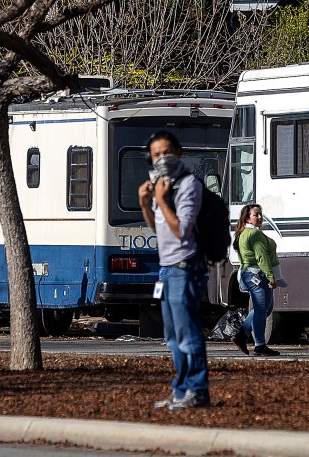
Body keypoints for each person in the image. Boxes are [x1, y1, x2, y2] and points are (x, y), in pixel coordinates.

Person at [137, 130, 209, 410]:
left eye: (167, 152)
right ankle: (181, 390)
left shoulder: (189, 184)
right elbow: (158, 227)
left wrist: (163, 200)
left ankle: (198, 391)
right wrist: (147, 202)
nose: (162, 158)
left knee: (188, 332)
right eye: (156, 154)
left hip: (184, 265)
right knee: (173, 336)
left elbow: (181, 229)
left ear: (178, 152)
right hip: (166, 268)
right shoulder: (161, 185)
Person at [232, 203, 279, 356]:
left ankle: (242, 334)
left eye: (260, 214)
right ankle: (259, 345)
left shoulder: (243, 232)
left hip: (249, 274)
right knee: (261, 310)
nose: (259, 217)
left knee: (266, 309)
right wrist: (271, 277)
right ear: (247, 217)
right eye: (255, 215)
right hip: (257, 275)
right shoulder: (255, 234)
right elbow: (262, 258)